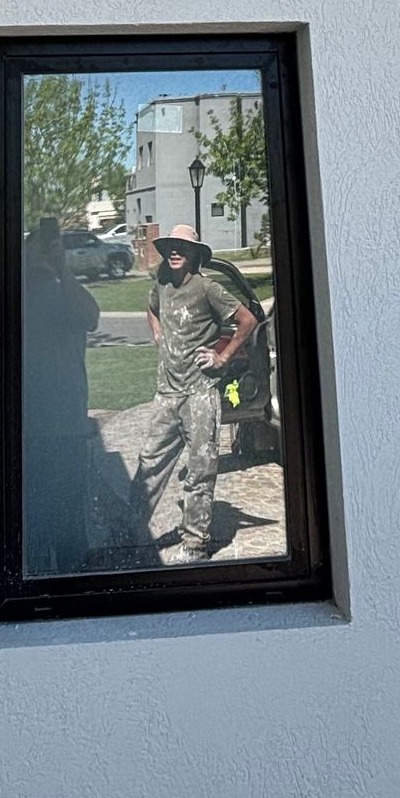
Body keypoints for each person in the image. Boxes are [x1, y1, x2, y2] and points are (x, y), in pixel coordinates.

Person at [140, 223, 259, 563]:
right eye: (170, 248)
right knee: (149, 466)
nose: (174, 253)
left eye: (181, 248)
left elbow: (248, 320)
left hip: (200, 393)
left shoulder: (208, 288)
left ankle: (195, 544)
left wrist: (222, 358)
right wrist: (158, 333)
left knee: (200, 470)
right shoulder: (161, 284)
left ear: (194, 254)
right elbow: (150, 308)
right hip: (167, 393)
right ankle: (131, 532)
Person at [21, 215, 100, 575]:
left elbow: (90, 316)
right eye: (38, 243)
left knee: (69, 523)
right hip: (27, 430)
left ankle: (72, 590)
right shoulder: (12, 294)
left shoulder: (65, 292)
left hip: (67, 429)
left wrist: (62, 269)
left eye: (51, 243)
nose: (46, 249)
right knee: (33, 527)